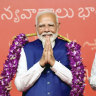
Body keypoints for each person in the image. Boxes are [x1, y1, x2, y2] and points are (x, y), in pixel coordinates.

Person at [14, 11, 73, 96]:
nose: (46, 30)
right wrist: (40, 64)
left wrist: (54, 64)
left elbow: (77, 82)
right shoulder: (26, 49)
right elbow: (20, 86)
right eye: (41, 26)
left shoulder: (70, 48)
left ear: (58, 26)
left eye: (51, 25)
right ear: (36, 28)